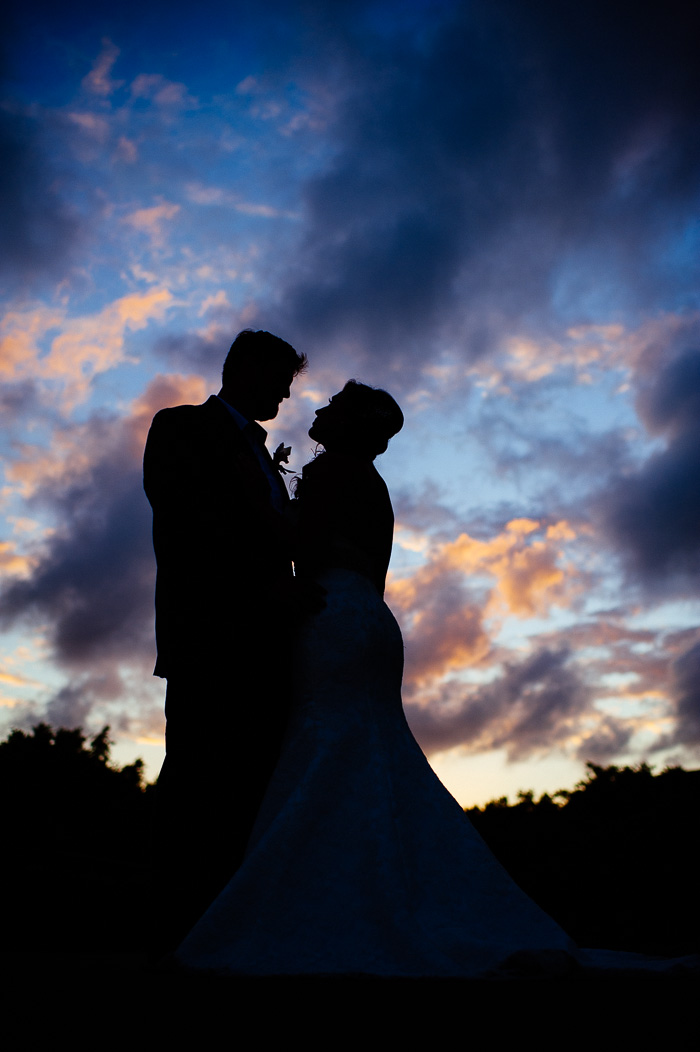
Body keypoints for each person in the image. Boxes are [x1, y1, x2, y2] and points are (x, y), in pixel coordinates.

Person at [171, 382, 696, 978]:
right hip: (367, 616)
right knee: (368, 751)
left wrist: (254, 500)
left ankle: (322, 901)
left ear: (349, 426)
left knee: (329, 749)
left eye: (333, 407)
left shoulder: (331, 473)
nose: (318, 411)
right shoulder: (372, 484)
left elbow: (301, 544)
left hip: (330, 617)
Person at [143, 328, 307, 947]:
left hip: (267, 647)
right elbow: (186, 523)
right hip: (208, 636)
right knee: (194, 784)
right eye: (280, 380)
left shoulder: (265, 456)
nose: (286, 395)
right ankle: (173, 933)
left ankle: (231, 931)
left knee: (247, 791)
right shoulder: (181, 427)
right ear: (245, 369)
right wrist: (258, 589)